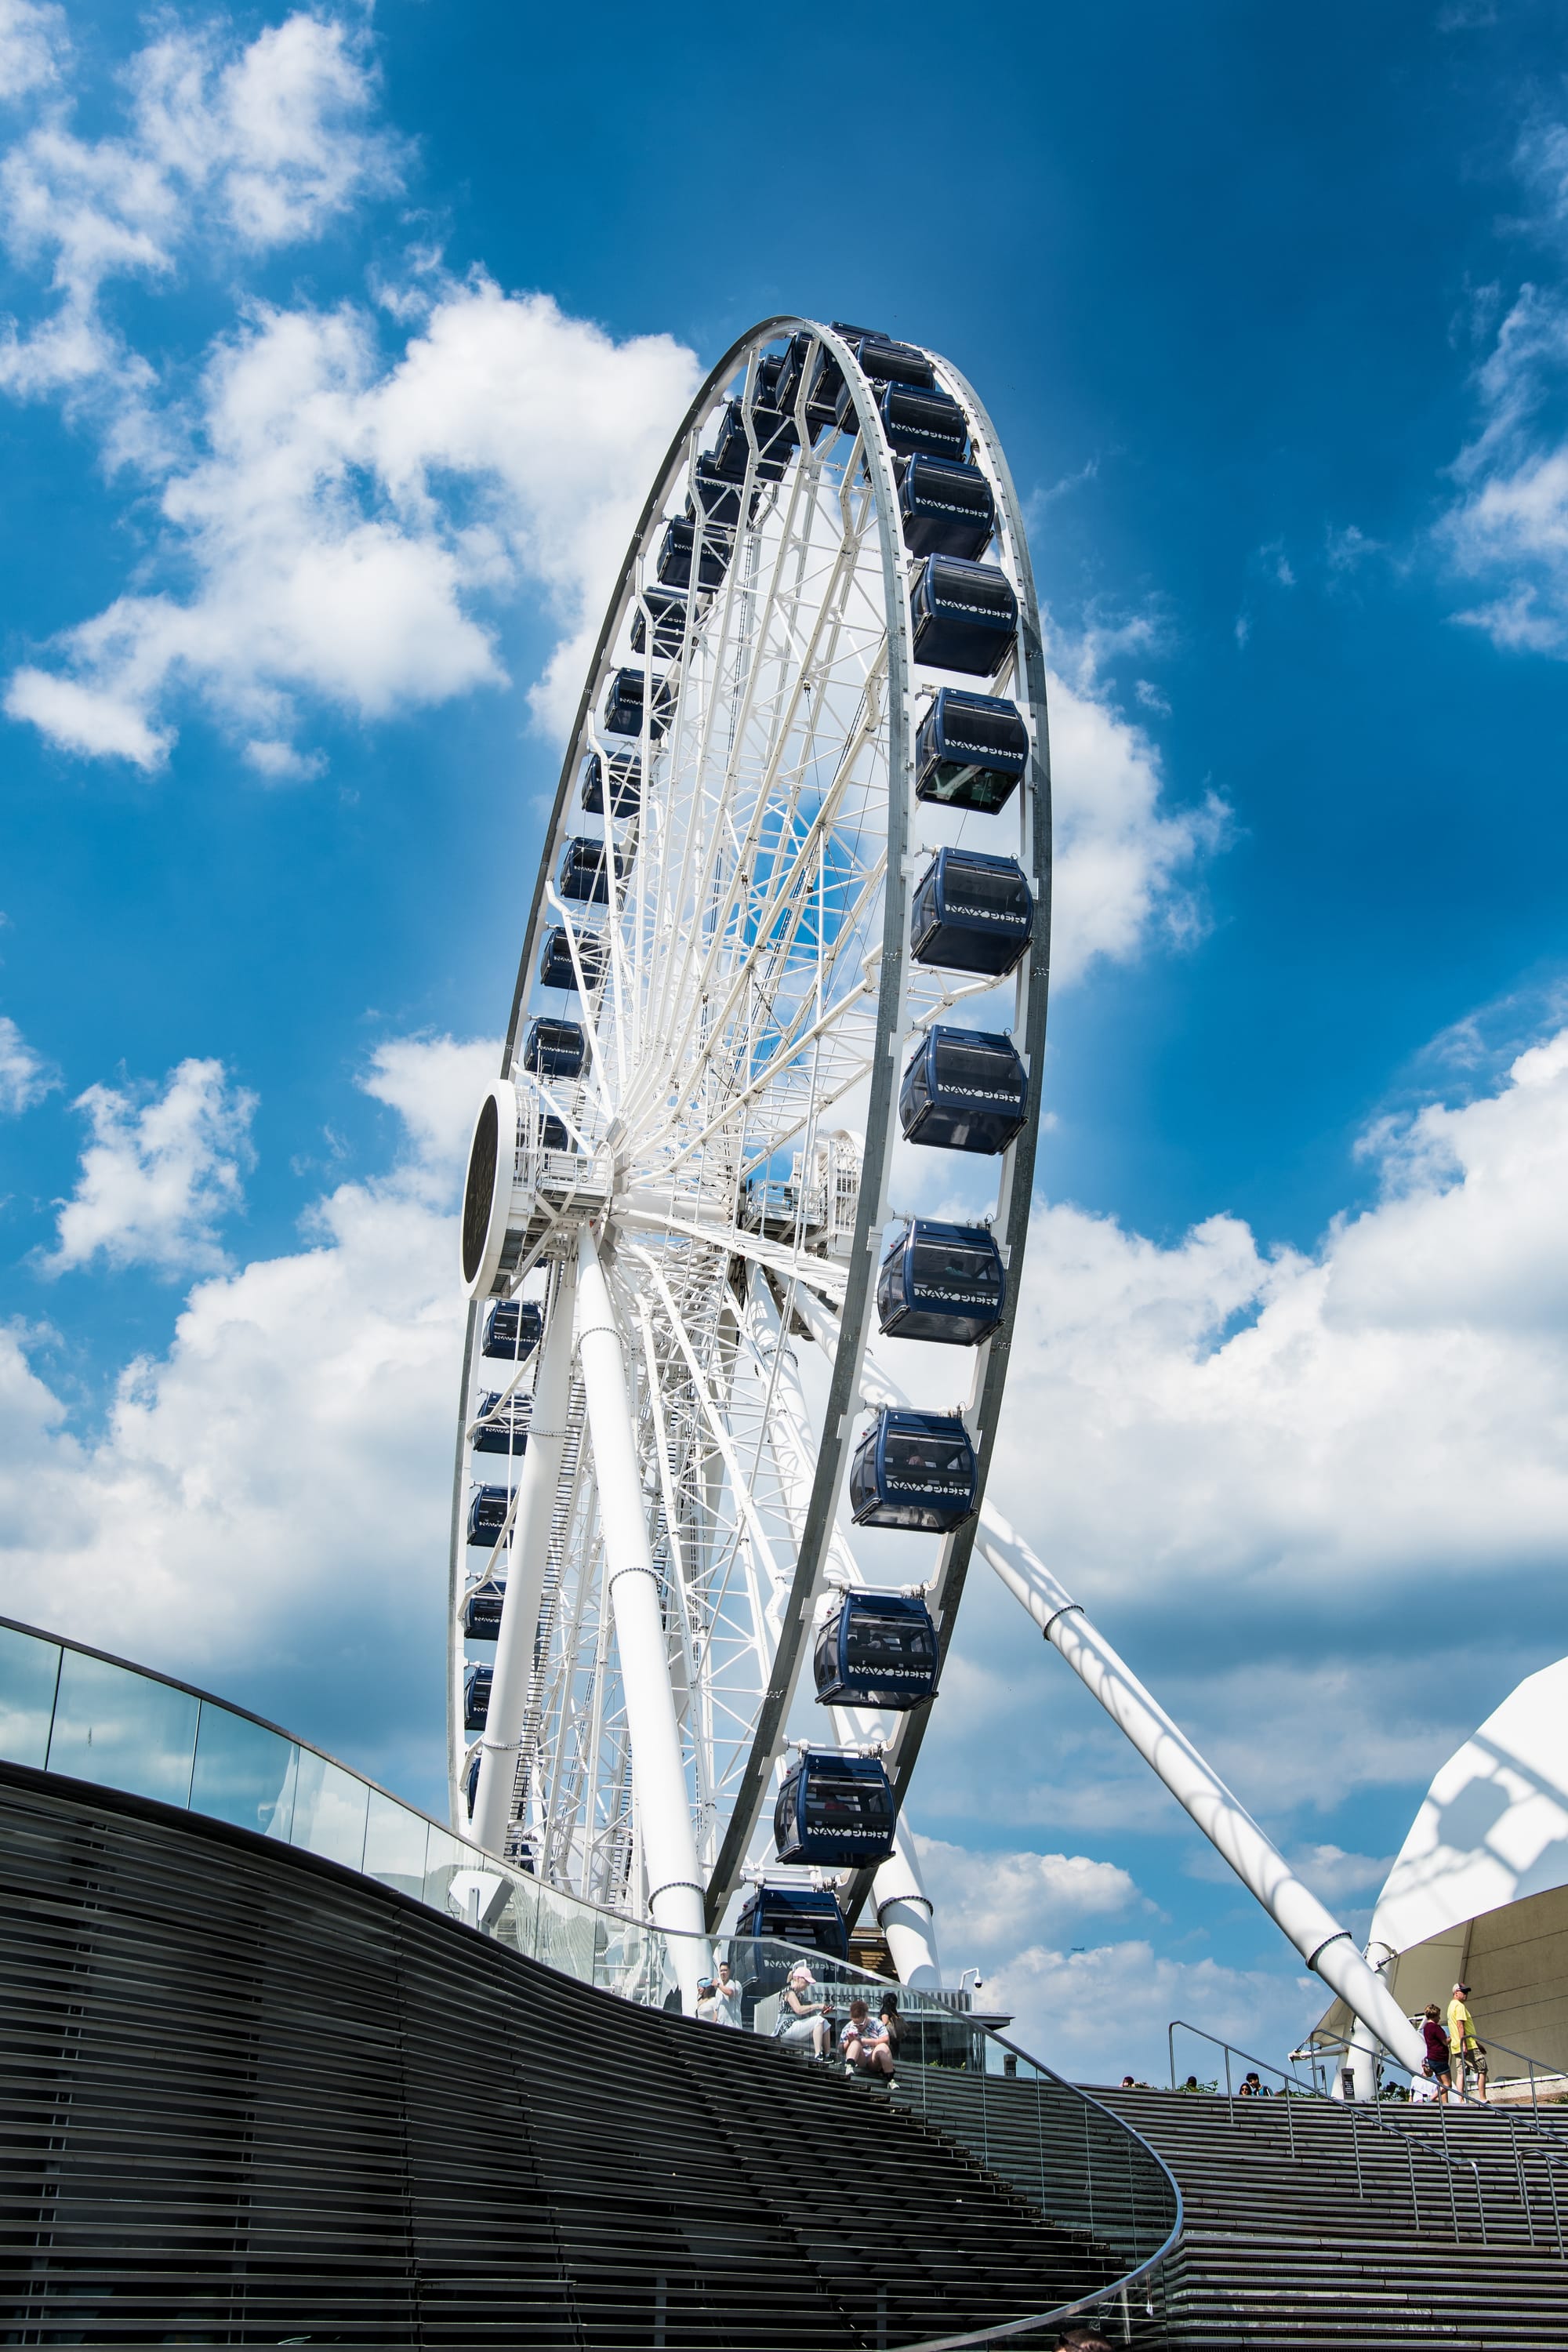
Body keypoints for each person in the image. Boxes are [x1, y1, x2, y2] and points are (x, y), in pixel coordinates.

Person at [775, 1961, 830, 2057]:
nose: (807, 1985)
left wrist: (822, 2013)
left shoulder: (800, 1996)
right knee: (818, 2021)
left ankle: (828, 2054)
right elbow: (799, 2010)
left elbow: (809, 2019)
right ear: (797, 1978)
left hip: (795, 2026)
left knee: (824, 2022)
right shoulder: (788, 1991)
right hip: (786, 2028)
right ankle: (818, 2054)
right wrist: (817, 2006)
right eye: (806, 1981)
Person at [842, 1997, 895, 2080]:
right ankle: (849, 2066)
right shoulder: (849, 2027)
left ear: (866, 2017)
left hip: (873, 2058)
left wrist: (865, 2041)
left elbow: (886, 2040)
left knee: (883, 2047)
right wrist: (849, 2041)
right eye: (855, 2024)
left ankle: (890, 2078)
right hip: (859, 2058)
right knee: (855, 2043)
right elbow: (841, 2049)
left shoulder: (876, 2023)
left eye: (861, 2024)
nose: (858, 2027)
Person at [1448, 1982, 1483, 2100]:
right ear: (1456, 1993)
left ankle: (1461, 2099)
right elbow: (1460, 2026)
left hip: (1456, 2046)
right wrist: (1464, 2044)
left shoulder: (1451, 2006)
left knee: (1460, 2072)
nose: (1466, 1995)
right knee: (1482, 2069)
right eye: (1463, 1992)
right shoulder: (1459, 2006)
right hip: (1467, 2045)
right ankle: (1482, 2097)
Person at [1420, 2003, 1453, 2103]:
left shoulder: (1426, 2028)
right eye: (1438, 2015)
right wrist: (1453, 2037)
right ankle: (1431, 2098)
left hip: (1431, 2058)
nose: (1439, 2018)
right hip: (1440, 2058)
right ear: (1434, 2016)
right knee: (1447, 2084)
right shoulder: (1436, 2028)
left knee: (1441, 2083)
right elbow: (1445, 2042)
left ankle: (1444, 2103)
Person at [712, 1959, 743, 2028]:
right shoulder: (718, 1991)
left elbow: (730, 1993)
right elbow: (716, 2011)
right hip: (720, 2027)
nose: (723, 1973)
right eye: (721, 1971)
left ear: (729, 1971)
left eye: (725, 1970)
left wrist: (718, 1984)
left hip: (734, 2027)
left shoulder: (736, 1984)